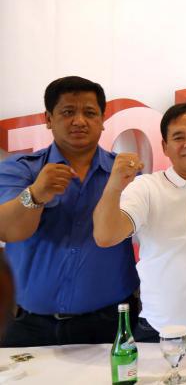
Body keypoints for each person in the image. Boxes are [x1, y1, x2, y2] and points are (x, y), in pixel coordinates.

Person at [0, 76, 139, 347]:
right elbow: (8, 230)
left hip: (110, 322)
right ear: (48, 119)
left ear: (102, 120)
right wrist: (35, 194)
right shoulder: (21, 169)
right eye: (67, 112)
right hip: (28, 325)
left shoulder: (125, 175)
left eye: (90, 113)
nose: (79, 121)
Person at [93, 103, 186, 342]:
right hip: (158, 329)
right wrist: (115, 185)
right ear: (164, 147)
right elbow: (105, 236)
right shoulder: (147, 187)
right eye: (178, 137)